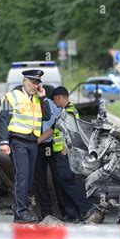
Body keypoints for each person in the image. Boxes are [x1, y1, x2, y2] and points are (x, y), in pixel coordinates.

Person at [0, 69, 51, 223]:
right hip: (18, 141)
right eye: (33, 82)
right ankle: (20, 213)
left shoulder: (36, 98)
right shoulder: (12, 96)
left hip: (33, 141)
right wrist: (4, 142)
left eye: (38, 83)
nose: (36, 86)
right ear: (24, 81)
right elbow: (2, 120)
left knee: (28, 178)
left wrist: (43, 98)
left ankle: (23, 211)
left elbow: (46, 116)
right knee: (22, 177)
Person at [49, 86, 105, 223]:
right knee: (64, 182)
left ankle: (88, 208)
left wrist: (65, 147)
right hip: (62, 152)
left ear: (60, 97)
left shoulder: (68, 112)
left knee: (67, 181)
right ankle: (73, 214)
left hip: (65, 153)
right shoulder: (67, 111)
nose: (54, 103)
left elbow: (71, 132)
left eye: (54, 100)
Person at [34, 88, 65, 220]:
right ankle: (46, 213)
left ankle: (64, 211)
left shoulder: (56, 106)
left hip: (53, 146)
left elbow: (59, 127)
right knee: (40, 181)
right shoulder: (32, 105)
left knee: (59, 179)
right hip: (38, 146)